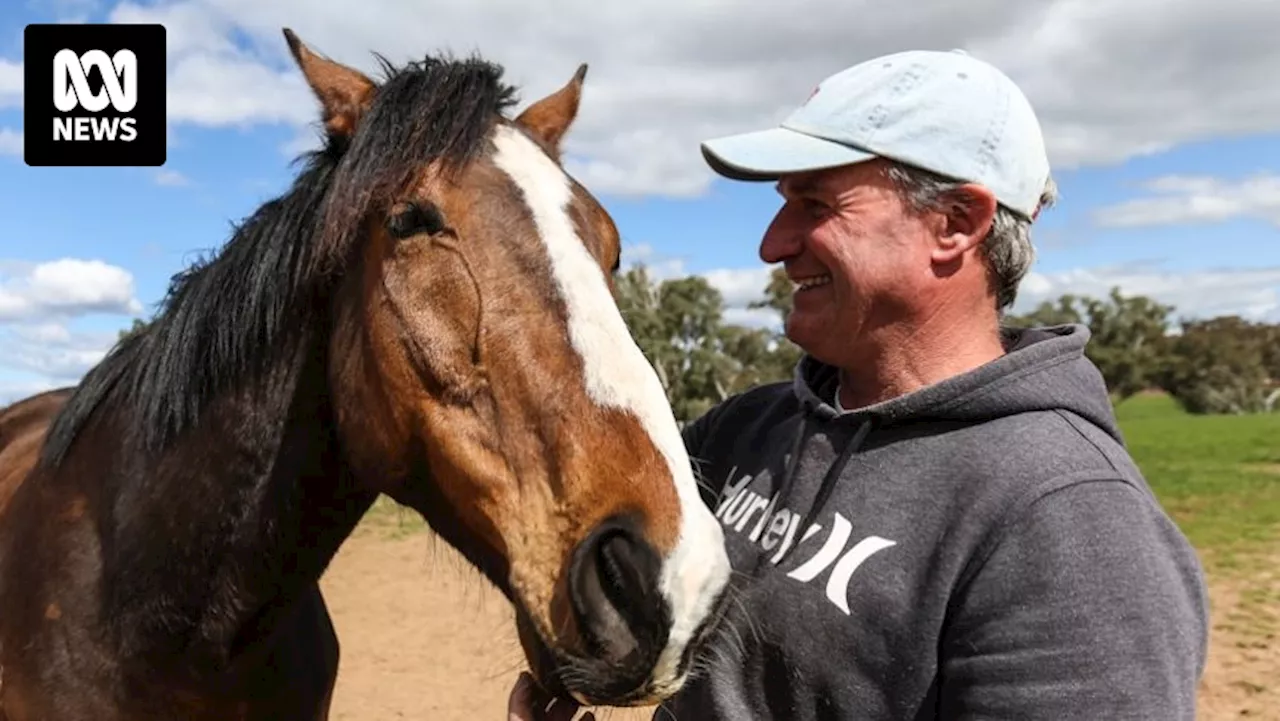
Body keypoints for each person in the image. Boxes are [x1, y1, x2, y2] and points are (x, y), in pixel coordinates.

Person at [509, 48, 1209, 721]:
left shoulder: (1069, 526)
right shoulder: (748, 430)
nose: (772, 244)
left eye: (815, 205)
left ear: (956, 223)